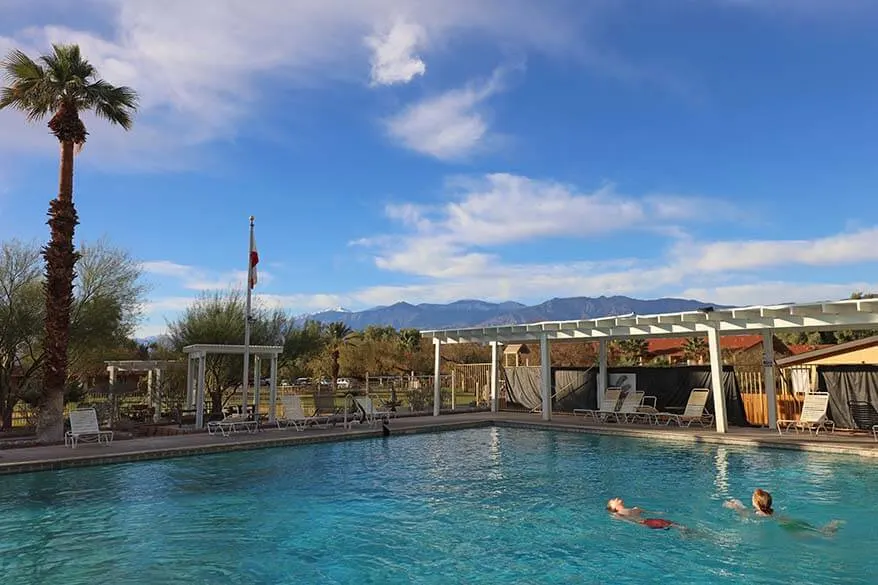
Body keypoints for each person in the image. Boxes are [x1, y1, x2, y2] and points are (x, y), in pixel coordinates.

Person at [724, 489, 842, 536]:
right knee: (815, 530)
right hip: (789, 521)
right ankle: (828, 530)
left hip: (785, 527)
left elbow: (743, 512)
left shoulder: (758, 515)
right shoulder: (773, 511)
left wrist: (734, 506)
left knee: (814, 534)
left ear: (757, 504)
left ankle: (827, 533)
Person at [607, 498, 677, 530]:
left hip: (649, 521)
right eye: (613, 500)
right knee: (675, 526)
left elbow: (650, 512)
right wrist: (638, 524)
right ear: (614, 507)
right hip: (645, 522)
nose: (616, 498)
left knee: (673, 524)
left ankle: (684, 534)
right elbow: (627, 520)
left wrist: (659, 513)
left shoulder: (635, 509)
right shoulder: (618, 514)